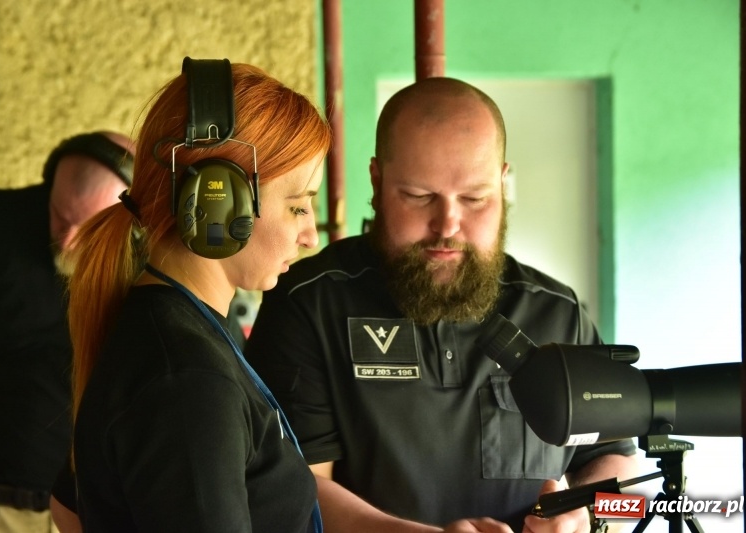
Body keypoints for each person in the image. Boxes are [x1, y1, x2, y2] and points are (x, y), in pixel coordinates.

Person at [244, 77, 640, 533]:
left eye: (474, 198)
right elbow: (296, 491)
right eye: (419, 196)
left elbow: (623, 469)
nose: (447, 224)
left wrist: (589, 517)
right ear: (377, 181)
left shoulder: (558, 313)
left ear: (503, 184)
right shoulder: (310, 304)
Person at [50, 59, 332, 533]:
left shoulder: (174, 331)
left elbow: (67, 507)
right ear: (217, 201)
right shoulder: (188, 380)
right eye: (298, 206)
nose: (311, 237)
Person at [0, 131, 136, 533]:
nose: (67, 240)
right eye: (59, 216)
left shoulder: (159, 260)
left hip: (105, 514)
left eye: (88, 229)